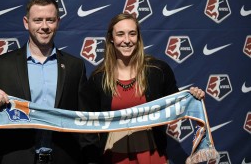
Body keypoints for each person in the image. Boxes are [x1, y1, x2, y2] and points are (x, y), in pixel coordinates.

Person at [0, 0, 87, 164]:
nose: (44, 26)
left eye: (50, 20)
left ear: (58, 22)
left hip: (63, 158)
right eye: (37, 20)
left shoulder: (75, 66)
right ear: (26, 22)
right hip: (15, 158)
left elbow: (85, 118)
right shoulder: (2, 64)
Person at [79, 13, 205, 164]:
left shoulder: (158, 70)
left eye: (132, 34)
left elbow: (176, 105)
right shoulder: (98, 78)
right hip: (114, 157)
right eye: (120, 34)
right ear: (111, 38)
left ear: (138, 37)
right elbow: (86, 124)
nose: (127, 40)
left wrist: (193, 97)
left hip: (152, 155)